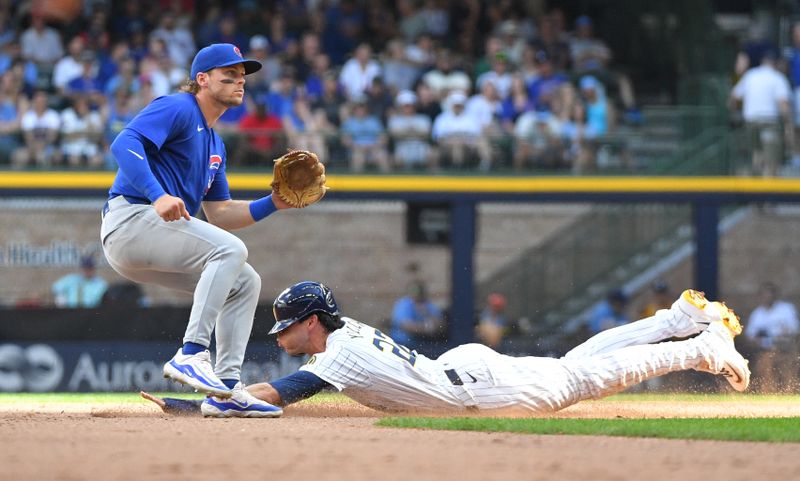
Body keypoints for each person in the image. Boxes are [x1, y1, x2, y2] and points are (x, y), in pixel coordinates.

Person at [142, 282, 750, 417]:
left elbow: (273, 399)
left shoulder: (336, 355)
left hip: (476, 386)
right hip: (459, 370)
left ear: (311, 324)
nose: (279, 337)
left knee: (581, 380)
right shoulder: (343, 332)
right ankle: (676, 320)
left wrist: (209, 404)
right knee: (573, 369)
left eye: (285, 328)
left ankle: (702, 346)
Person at [101, 43, 294, 413]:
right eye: (229, 75)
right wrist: (158, 195)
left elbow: (219, 213)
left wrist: (274, 203)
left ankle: (225, 389)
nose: (240, 82)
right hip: (132, 219)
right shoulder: (178, 106)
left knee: (244, 281)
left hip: (154, 235)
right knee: (231, 250)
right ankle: (191, 353)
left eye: (242, 76)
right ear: (202, 79)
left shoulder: (215, 141)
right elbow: (124, 141)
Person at [730, 49, 792, 177]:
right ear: (776, 63)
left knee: (757, 154)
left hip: (751, 121)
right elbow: (783, 104)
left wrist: (735, 112)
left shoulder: (750, 75)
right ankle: (768, 192)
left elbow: (733, 98)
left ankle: (757, 190)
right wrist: (788, 126)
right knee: (771, 159)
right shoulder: (778, 77)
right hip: (770, 122)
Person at [744, 282, 799, 393]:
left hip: (785, 348)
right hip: (765, 349)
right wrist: (756, 340)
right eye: (764, 294)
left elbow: (795, 329)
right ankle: (768, 391)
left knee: (786, 364)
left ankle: (789, 390)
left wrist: (783, 335)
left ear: (775, 295)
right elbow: (750, 335)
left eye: (769, 294)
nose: (767, 297)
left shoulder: (786, 309)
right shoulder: (757, 313)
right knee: (765, 363)